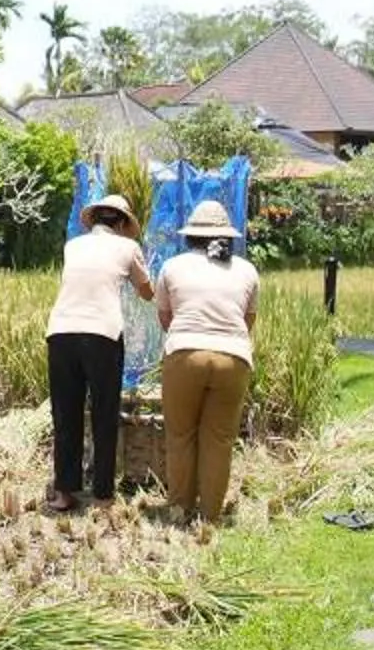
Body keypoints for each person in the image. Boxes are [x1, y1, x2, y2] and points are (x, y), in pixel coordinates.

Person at [43, 190, 156, 514]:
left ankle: (65, 492)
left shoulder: (73, 246)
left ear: (93, 220)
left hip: (61, 332)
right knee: (104, 414)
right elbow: (146, 292)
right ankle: (103, 495)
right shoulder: (128, 247)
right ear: (121, 224)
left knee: (66, 414)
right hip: (102, 334)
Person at [155, 199, 260, 541]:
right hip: (233, 358)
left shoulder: (172, 267)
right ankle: (210, 516)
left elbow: (165, 317)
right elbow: (248, 320)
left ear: (191, 235)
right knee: (220, 439)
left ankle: (179, 509)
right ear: (226, 236)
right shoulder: (246, 270)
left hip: (185, 353)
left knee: (181, 435)